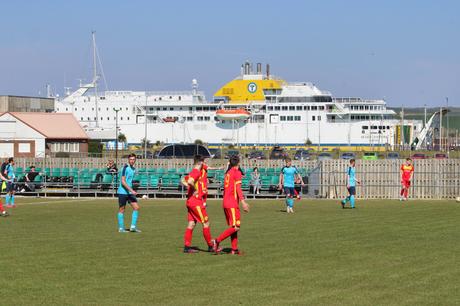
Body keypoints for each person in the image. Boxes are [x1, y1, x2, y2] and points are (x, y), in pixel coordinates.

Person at [212, 155, 249, 255]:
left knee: (234, 227)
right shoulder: (236, 173)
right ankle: (217, 241)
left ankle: (234, 249)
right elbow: (238, 188)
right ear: (239, 163)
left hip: (226, 202)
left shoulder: (228, 172)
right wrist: (243, 202)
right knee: (236, 226)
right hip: (232, 203)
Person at [181, 155, 213, 253]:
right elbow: (190, 181)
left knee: (191, 224)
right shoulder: (196, 172)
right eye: (203, 163)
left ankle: (187, 247)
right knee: (206, 223)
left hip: (190, 202)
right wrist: (195, 190)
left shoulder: (192, 171)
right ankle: (211, 246)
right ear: (200, 162)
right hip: (196, 202)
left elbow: (183, 180)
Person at [117, 153, 141, 233]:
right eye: (131, 159)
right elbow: (123, 181)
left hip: (130, 192)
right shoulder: (125, 168)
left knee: (136, 207)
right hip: (123, 192)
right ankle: (121, 228)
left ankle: (133, 227)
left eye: (133, 159)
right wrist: (132, 190)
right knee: (122, 210)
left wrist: (132, 189)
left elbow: (129, 181)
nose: (132, 161)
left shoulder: (133, 169)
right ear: (128, 160)